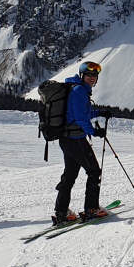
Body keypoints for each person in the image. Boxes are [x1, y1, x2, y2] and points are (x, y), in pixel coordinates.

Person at [52, 61, 108, 224]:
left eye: (95, 75)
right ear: (82, 75)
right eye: (89, 74)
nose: (92, 78)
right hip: (75, 139)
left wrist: (99, 112)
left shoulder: (75, 88)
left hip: (67, 139)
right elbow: (80, 118)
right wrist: (94, 131)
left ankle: (61, 212)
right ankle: (91, 209)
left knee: (70, 174)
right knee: (94, 171)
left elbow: (81, 112)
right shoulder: (78, 91)